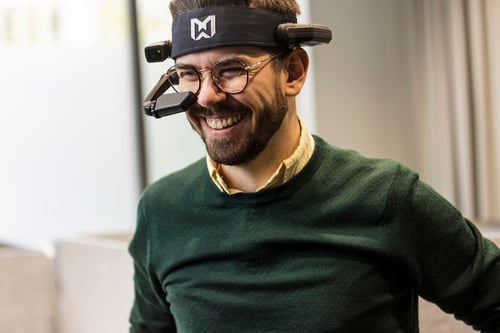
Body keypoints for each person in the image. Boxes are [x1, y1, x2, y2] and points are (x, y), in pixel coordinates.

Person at [128, 1, 500, 332]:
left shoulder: (389, 196)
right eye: (188, 75)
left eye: (231, 70)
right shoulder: (162, 211)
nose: (207, 96)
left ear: (292, 72)